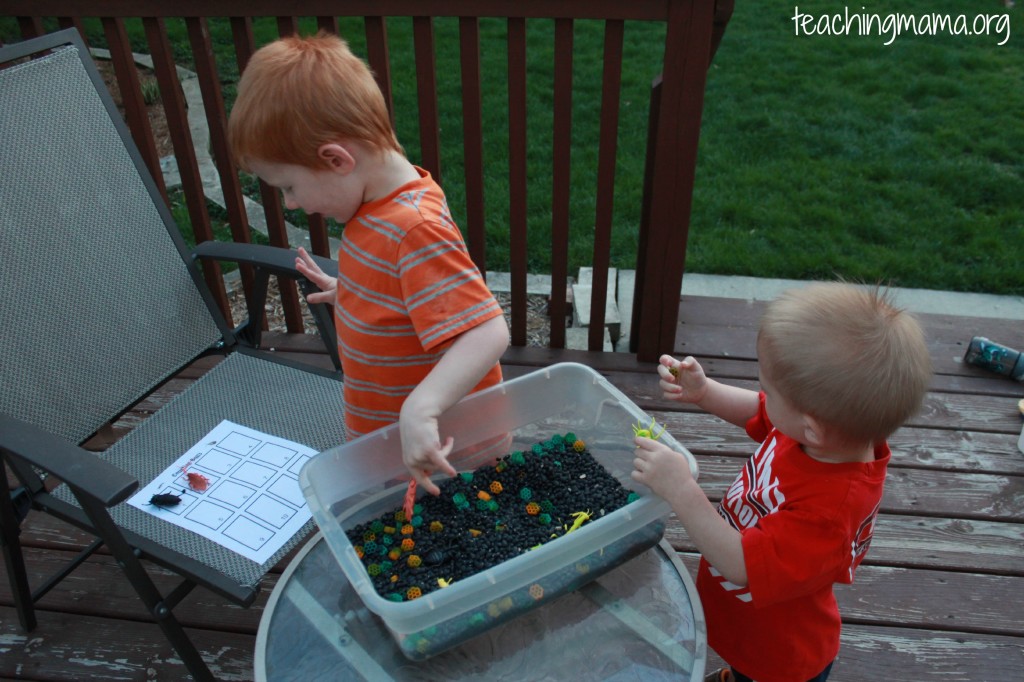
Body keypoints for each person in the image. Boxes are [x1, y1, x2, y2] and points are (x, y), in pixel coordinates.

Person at [228, 33, 509, 496]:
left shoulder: (414, 228)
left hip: (448, 456)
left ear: (336, 159)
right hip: (393, 442)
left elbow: (486, 331)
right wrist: (353, 290)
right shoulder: (375, 206)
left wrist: (422, 408)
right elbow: (410, 291)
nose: (292, 204)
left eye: (289, 187)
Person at [631, 282, 932, 682]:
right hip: (750, 622)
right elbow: (762, 413)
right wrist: (705, 392)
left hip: (779, 658)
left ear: (812, 427)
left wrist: (681, 489)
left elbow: (740, 564)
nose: (762, 396)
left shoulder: (827, 515)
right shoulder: (828, 434)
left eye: (769, 390)